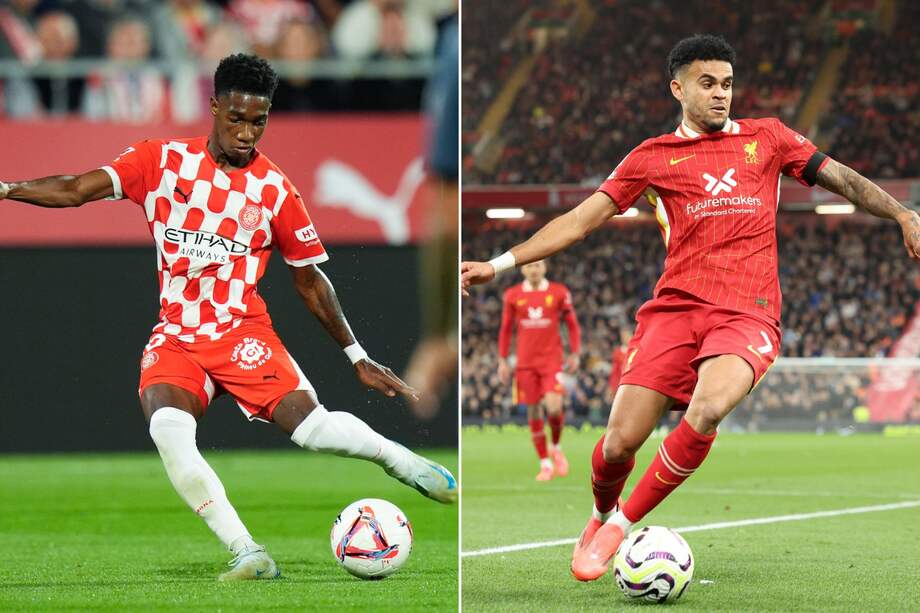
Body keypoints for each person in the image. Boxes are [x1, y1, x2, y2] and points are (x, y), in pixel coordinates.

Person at [461, 34, 920, 581]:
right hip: (675, 311)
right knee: (617, 445)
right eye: (707, 84)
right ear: (678, 89)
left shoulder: (768, 138)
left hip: (747, 312)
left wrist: (902, 213)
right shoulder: (651, 157)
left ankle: (619, 527)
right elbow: (580, 222)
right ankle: (600, 513)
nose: (721, 94)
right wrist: (499, 264)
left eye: (727, 84)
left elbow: (841, 177)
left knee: (707, 409)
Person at [1, 53, 456, 582]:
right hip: (176, 336)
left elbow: (309, 280)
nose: (246, 133)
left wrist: (356, 355)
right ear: (214, 106)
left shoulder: (275, 189)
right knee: (168, 431)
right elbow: (77, 189)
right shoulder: (160, 161)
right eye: (236, 119)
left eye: (258, 122)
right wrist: (8, 189)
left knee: (314, 431)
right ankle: (248, 552)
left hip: (241, 333)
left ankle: (399, 461)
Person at [498, 260, 580, 481]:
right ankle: (545, 464)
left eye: (537, 265)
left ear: (544, 267)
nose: (533, 269)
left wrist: (574, 352)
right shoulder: (512, 295)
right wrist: (503, 359)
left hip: (551, 360)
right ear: (523, 269)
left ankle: (556, 447)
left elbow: (572, 323)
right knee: (534, 411)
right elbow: (506, 328)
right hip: (525, 363)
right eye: (529, 266)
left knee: (554, 408)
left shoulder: (559, 292)